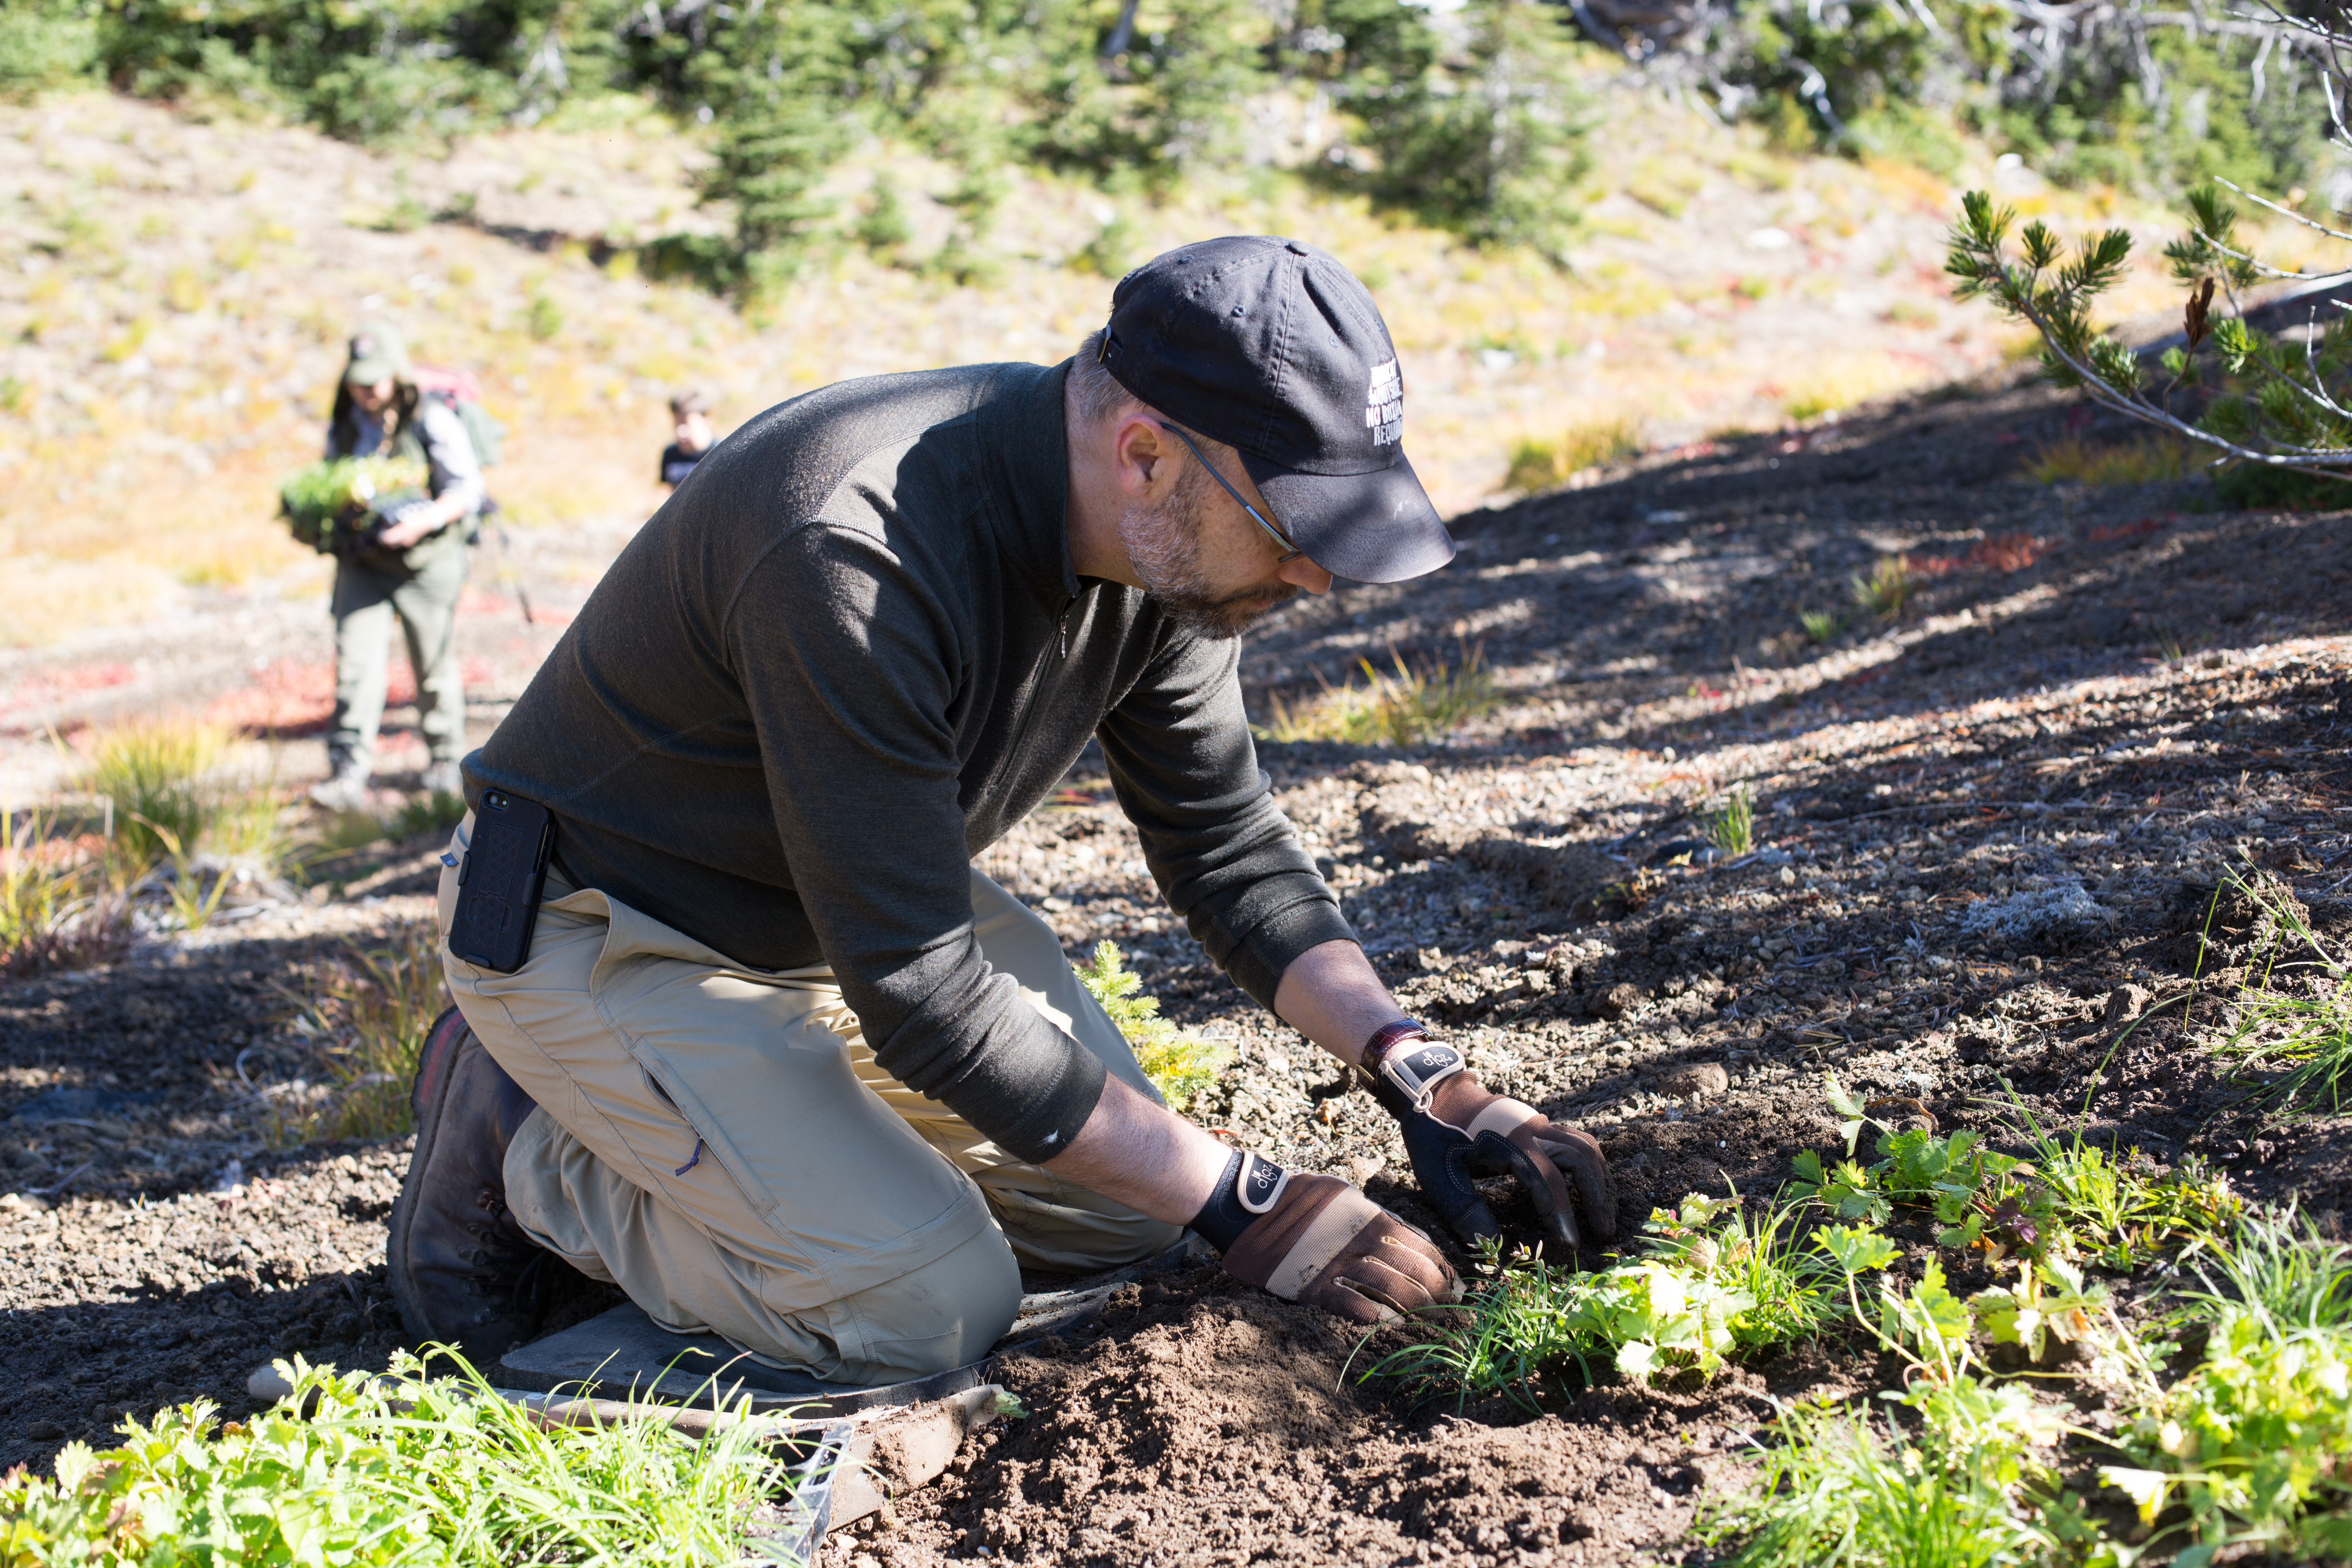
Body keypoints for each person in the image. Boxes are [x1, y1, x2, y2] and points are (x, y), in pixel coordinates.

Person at [389, 237, 1616, 1381]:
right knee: (926, 1306)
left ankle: (759, 1132)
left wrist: (1429, 1078)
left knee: (1117, 1215)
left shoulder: (1161, 547)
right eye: (1293, 528)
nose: (1315, 572)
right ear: (1144, 452)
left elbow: (1228, 847)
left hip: (835, 912)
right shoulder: (853, 541)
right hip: (604, 923)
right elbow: (925, 993)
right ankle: (532, 1142)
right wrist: (1253, 1200)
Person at [309, 323, 482, 812]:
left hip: (427, 564)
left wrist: (420, 522)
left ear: (397, 375)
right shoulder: (344, 425)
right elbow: (329, 479)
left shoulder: (432, 419)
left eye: (375, 380)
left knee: (432, 668)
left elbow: (466, 490)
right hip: (363, 564)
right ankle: (347, 775)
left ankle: (446, 764)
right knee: (355, 668)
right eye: (357, 380)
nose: (365, 391)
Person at [658, 389, 713, 488]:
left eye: (687, 424)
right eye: (677, 423)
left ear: (706, 421)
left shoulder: (720, 453)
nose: (681, 432)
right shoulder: (671, 454)